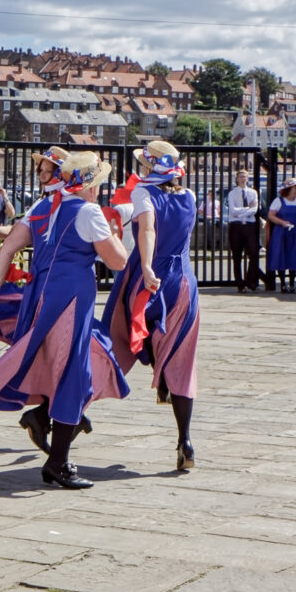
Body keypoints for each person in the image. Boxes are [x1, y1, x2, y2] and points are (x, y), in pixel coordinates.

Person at [0, 152, 129, 488]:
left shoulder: (43, 207)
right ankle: (58, 462)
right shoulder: (89, 212)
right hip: (72, 298)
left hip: (44, 297)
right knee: (73, 374)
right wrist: (116, 230)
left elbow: (9, 245)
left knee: (69, 368)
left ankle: (47, 429)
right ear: (90, 184)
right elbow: (117, 261)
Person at [101, 140, 199, 471]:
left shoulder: (144, 193)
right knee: (182, 356)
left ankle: (161, 376)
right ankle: (185, 439)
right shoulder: (190, 196)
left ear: (150, 167)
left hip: (149, 277)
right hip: (183, 280)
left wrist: (145, 266)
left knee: (125, 331)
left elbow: (148, 229)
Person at [265, 178, 296, 293]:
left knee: (294, 255)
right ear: (288, 189)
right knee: (280, 255)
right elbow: (271, 215)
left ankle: (292, 283)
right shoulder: (278, 201)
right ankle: (282, 284)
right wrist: (282, 223)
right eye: (294, 188)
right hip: (280, 232)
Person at [227, 169, 261, 292]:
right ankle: (240, 284)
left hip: (249, 226)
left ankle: (250, 281)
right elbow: (232, 210)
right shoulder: (232, 193)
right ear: (237, 179)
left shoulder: (253, 193)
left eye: (245, 176)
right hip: (236, 227)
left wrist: (241, 212)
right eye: (240, 176)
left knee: (254, 254)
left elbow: (255, 210)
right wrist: (247, 209)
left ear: (248, 179)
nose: (243, 179)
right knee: (237, 256)